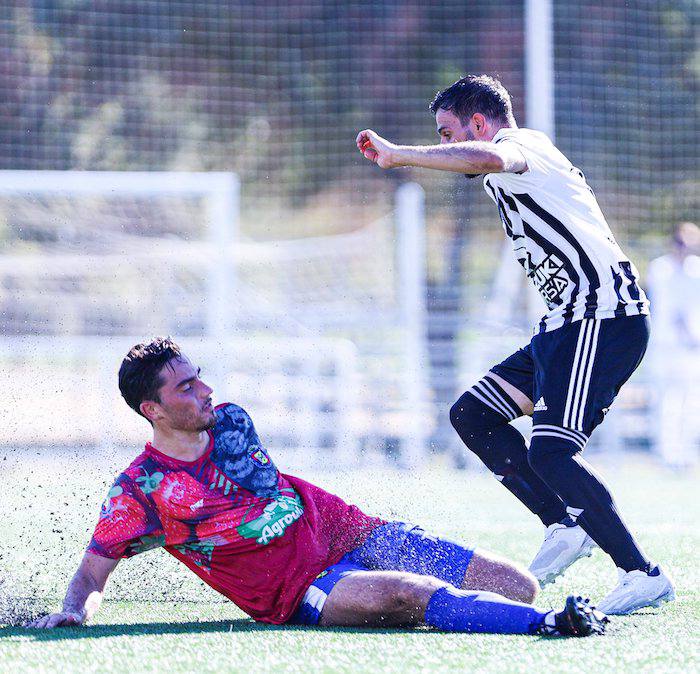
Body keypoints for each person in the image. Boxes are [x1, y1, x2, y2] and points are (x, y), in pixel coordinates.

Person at [29, 337, 606, 637]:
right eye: (187, 385)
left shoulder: (230, 418)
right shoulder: (140, 492)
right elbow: (91, 573)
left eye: (200, 374)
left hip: (351, 530)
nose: (205, 389)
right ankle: (552, 627)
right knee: (408, 590)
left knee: (518, 584)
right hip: (300, 585)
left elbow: (255, 491)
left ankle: (499, 609)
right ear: (152, 409)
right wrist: (75, 611)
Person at [356, 74, 674, 615]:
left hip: (604, 317)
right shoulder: (506, 161)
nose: (445, 143)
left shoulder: (523, 146)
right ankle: (563, 527)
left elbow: (489, 156)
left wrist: (399, 154)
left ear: (478, 125)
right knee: (472, 416)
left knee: (551, 452)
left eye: (448, 132)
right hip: (562, 326)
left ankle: (642, 574)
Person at [646, 222, 700, 469]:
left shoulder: (696, 271)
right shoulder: (660, 269)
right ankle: (667, 454)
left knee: (691, 401)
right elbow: (670, 308)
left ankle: (686, 453)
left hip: (691, 348)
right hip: (665, 346)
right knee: (666, 400)